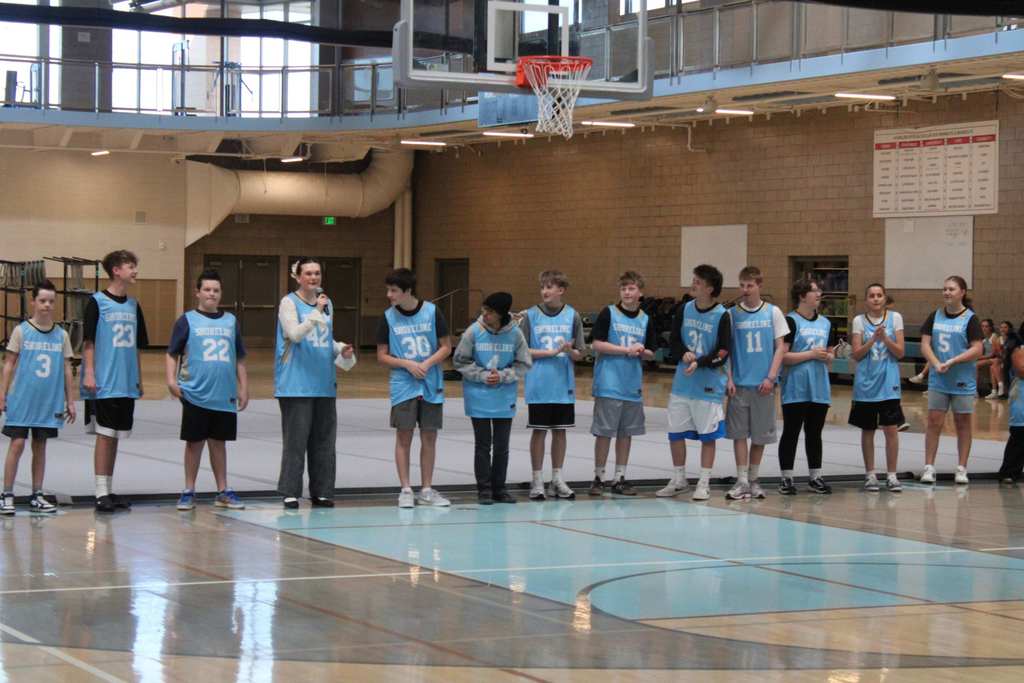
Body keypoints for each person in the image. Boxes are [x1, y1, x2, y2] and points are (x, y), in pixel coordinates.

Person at [275, 257, 355, 509]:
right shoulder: (289, 303)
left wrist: (341, 350)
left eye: (317, 273)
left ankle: (322, 491)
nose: (313, 278)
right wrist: (316, 312)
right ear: (297, 277)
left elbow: (324, 339)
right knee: (296, 441)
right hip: (296, 384)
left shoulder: (326, 304)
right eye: (308, 273)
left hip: (324, 383)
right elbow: (296, 335)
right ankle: (290, 491)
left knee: (324, 442)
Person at [166, 270, 249, 511]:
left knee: (219, 442)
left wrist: (244, 387)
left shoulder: (230, 321)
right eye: (207, 289)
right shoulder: (187, 320)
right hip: (195, 393)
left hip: (224, 394)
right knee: (194, 443)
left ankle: (223, 490)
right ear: (198, 292)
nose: (212, 294)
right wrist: (171, 380)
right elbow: (172, 353)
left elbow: (240, 357)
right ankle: (189, 490)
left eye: (216, 290)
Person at [376, 268, 451, 508]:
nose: (389, 294)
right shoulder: (387, 317)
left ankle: (427, 488)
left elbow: (446, 347)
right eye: (388, 290)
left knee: (429, 436)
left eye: (394, 290)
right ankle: (406, 489)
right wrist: (407, 364)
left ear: (408, 291)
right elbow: (381, 356)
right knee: (404, 435)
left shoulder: (432, 312)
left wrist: (426, 364)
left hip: (431, 382)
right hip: (403, 385)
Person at [656, 265, 731, 501]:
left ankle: (704, 482)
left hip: (708, 385)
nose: (693, 283)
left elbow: (724, 352)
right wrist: (683, 353)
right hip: (682, 384)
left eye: (698, 281)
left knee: (707, 436)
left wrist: (700, 361)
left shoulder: (722, 315)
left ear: (710, 288)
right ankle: (679, 479)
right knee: (675, 433)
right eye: (694, 279)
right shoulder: (685, 308)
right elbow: (674, 340)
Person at [0, 281, 75, 515]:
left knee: (40, 446)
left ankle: (37, 494)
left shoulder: (61, 335)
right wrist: (2, 394)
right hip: (22, 399)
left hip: (48, 402)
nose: (47, 305)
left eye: (51, 301)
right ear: (33, 301)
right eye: (42, 300)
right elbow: (9, 364)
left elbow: (66, 370)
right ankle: (7, 494)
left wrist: (70, 400)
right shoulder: (22, 330)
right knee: (18, 444)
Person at [82, 250, 149, 513]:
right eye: (130, 266)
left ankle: (108, 489)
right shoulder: (97, 302)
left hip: (126, 380)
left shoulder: (133, 305)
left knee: (117, 436)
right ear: (116, 270)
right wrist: (89, 372)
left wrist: (139, 379)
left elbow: (137, 347)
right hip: (104, 380)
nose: (135, 270)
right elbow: (88, 341)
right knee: (105, 435)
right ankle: (99, 492)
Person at [716, 266, 787, 501]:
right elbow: (727, 350)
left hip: (763, 385)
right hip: (739, 384)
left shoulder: (773, 312)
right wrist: (729, 378)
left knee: (760, 436)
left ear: (759, 285)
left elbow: (781, 348)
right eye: (742, 285)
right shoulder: (731, 314)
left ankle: (754, 479)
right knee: (739, 435)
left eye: (750, 285)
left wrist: (771, 377)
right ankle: (742, 480)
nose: (745, 290)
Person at [454, 292, 531, 504]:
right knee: (482, 445)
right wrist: (482, 375)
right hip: (478, 396)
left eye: (490, 312)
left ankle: (500, 488)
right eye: (484, 310)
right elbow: (460, 361)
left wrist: (504, 376)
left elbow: (524, 363)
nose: (485, 314)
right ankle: (484, 490)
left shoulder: (515, 334)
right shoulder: (474, 331)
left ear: (501, 314)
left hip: (504, 397)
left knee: (501, 446)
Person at [589, 271, 656, 496]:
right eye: (624, 289)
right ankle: (599, 477)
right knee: (604, 432)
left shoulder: (645, 319)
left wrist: (641, 351)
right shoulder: (609, 313)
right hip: (609, 382)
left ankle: (620, 477)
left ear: (640, 292)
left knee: (626, 433)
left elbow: (651, 353)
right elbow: (597, 344)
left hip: (631, 384)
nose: (627, 292)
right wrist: (626, 350)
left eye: (631, 289)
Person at [521, 270, 585, 501]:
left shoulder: (572, 315)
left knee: (560, 431)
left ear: (561, 290)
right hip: (539, 383)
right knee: (539, 431)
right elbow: (522, 350)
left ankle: (557, 478)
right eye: (543, 287)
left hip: (563, 384)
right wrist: (550, 352)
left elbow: (580, 354)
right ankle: (537, 479)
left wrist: (570, 351)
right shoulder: (530, 315)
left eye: (550, 287)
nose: (545, 291)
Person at [919, 275, 983, 485]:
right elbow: (925, 344)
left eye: (951, 289)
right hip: (939, 378)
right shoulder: (934, 316)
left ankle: (962, 468)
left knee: (962, 423)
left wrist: (954, 360)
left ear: (962, 292)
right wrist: (936, 363)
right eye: (945, 289)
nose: (947, 292)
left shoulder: (970, 319)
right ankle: (928, 467)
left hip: (962, 379)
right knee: (934, 422)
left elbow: (977, 349)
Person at [779, 279, 835, 495]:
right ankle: (786, 479)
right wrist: (811, 354)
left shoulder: (826, 323)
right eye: (814, 291)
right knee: (791, 433)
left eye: (820, 290)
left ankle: (815, 477)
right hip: (795, 388)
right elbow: (783, 356)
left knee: (815, 434)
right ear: (802, 296)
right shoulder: (790, 322)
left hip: (819, 388)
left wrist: (829, 355)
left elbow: (830, 356)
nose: (819, 293)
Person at [848, 284, 905, 493]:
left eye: (879, 295)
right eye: (871, 295)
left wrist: (886, 338)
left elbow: (900, 352)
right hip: (866, 385)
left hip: (889, 384)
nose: (875, 299)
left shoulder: (895, 318)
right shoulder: (858, 321)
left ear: (885, 299)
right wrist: (872, 339)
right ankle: (870, 474)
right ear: (866, 300)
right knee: (868, 430)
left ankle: (892, 475)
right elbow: (856, 354)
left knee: (891, 430)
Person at [999, 343, 1024, 483]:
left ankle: (1015, 471)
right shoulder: (1018, 349)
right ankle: (1008, 472)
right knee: (1019, 433)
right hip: (1021, 394)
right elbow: (1021, 371)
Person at [977, 318, 1004, 399]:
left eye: (986, 326)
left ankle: (974, 390)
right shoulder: (984, 340)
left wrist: (980, 358)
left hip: (996, 358)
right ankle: (994, 390)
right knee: (991, 367)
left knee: (976, 365)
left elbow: (993, 354)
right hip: (989, 360)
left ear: (990, 327)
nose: (984, 328)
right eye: (982, 326)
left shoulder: (994, 337)